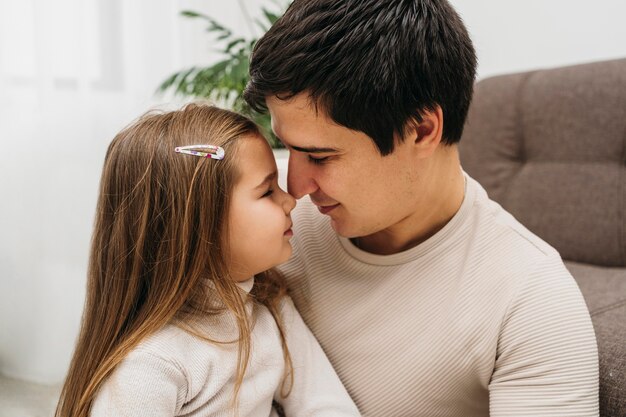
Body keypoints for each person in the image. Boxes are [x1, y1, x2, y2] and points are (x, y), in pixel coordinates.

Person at [243, 0, 599, 416]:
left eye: (320, 157)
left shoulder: (531, 301)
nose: (295, 186)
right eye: (287, 147)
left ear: (421, 129)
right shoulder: (258, 219)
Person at [55, 103, 361, 417]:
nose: (289, 199)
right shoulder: (151, 364)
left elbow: (325, 404)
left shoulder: (273, 308)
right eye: (267, 191)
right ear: (202, 224)